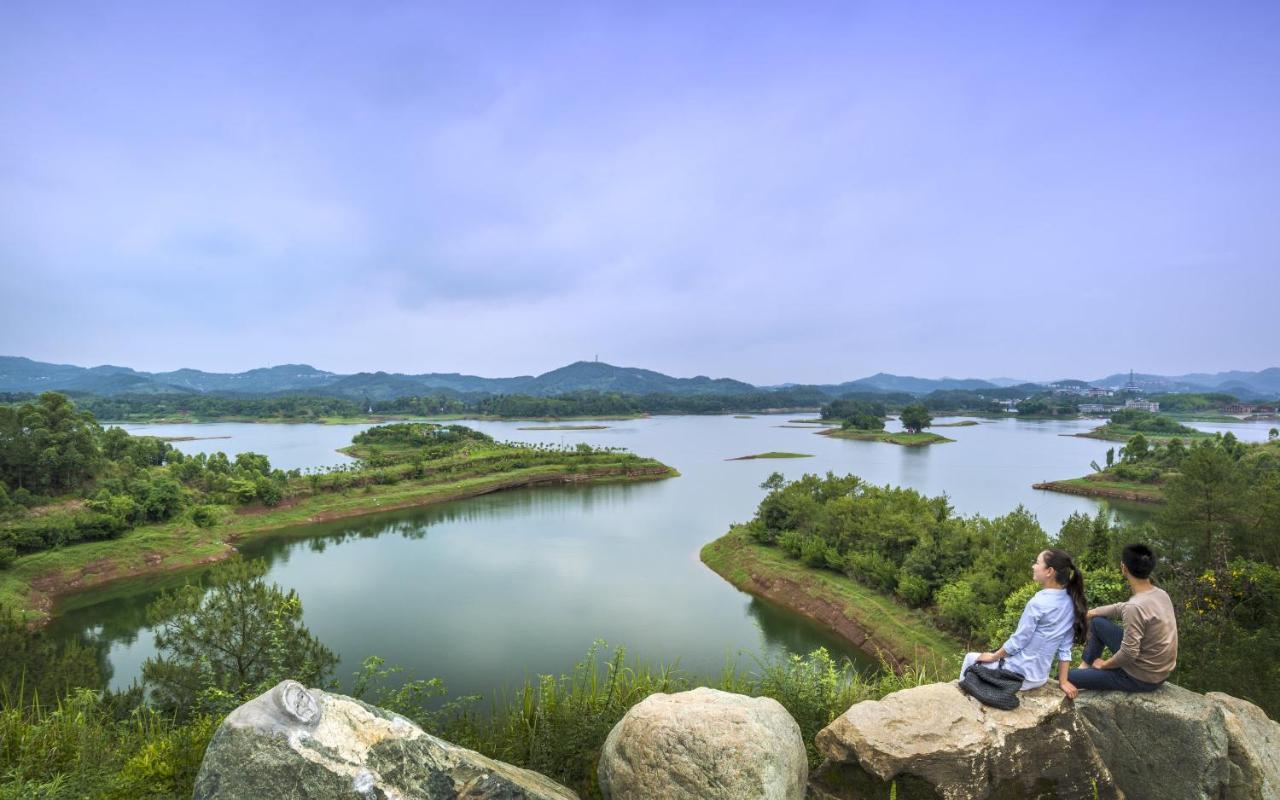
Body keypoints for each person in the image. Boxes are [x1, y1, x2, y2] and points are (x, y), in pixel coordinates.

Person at [961, 548, 1088, 694]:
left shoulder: (1038, 602)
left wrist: (994, 656)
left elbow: (1019, 641)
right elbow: (1065, 647)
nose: (1033, 566)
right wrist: (1063, 681)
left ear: (1049, 571)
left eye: (1037, 563)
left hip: (1017, 675)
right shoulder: (1071, 602)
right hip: (1039, 677)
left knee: (970, 658)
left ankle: (963, 699)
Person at [1062, 543, 1177, 696]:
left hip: (1140, 677)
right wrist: (1090, 613)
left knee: (1064, 677)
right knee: (1097, 622)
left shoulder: (1135, 607)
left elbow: (1129, 653)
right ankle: (1085, 667)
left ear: (1124, 567)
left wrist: (1105, 665)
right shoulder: (1160, 594)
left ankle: (1087, 673)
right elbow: (1121, 607)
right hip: (1158, 670)